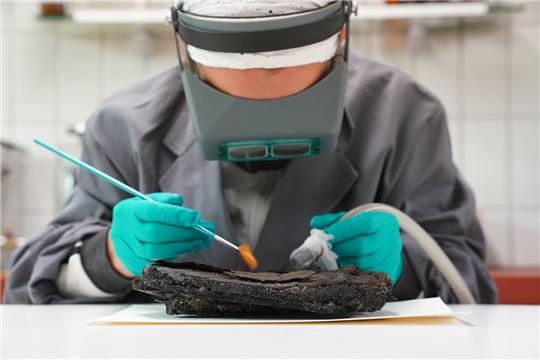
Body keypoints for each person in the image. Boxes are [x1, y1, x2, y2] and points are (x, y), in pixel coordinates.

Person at [4, 0, 497, 304]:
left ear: (341, 37)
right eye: (232, 102)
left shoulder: (405, 115)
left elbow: (471, 285)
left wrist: (401, 269)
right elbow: (29, 286)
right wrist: (107, 256)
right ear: (187, 50)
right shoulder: (126, 124)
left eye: (294, 100)